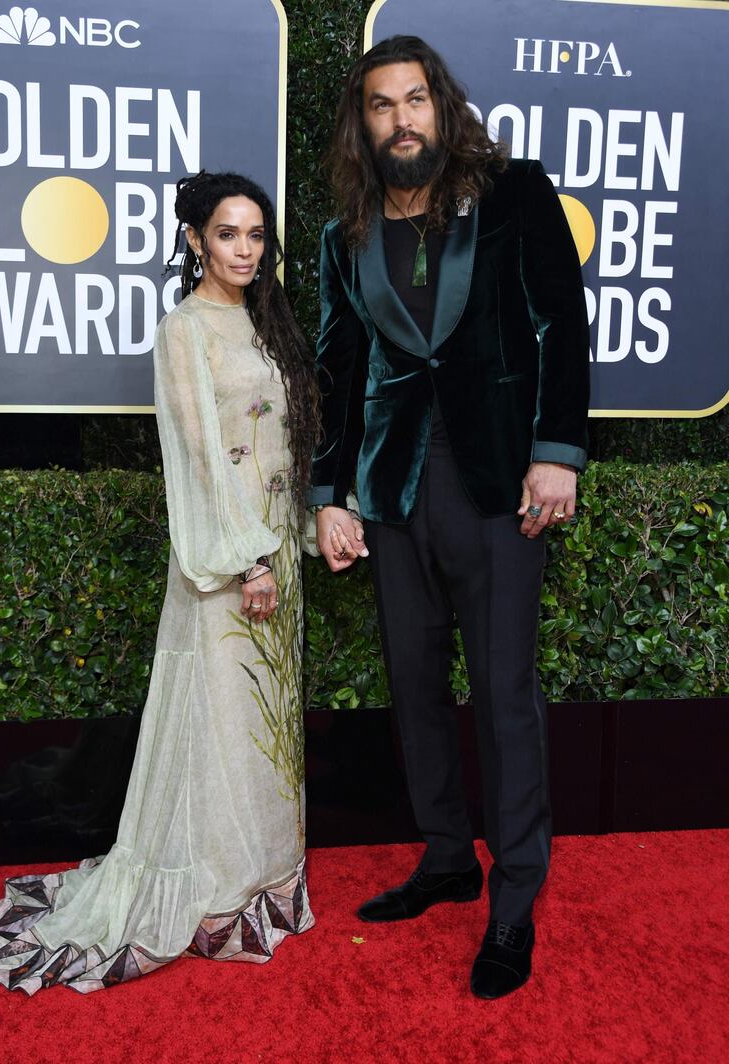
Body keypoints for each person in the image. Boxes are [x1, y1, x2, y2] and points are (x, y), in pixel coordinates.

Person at [0, 171, 321, 994]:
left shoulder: (266, 324)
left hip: (278, 554)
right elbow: (201, 453)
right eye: (228, 234)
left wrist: (298, 534)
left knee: (265, 724)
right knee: (221, 719)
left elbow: (280, 442)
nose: (245, 249)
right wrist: (248, 557)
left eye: (257, 236)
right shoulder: (184, 330)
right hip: (232, 559)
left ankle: (264, 875)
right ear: (196, 239)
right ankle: (209, 890)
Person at [309, 36, 590, 999]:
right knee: (415, 682)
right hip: (393, 494)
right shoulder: (343, 234)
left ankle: (514, 897)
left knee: (505, 694)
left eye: (416, 100)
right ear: (364, 123)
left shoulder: (514, 194)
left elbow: (562, 321)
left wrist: (557, 452)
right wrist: (326, 493)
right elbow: (338, 373)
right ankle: (445, 857)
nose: (402, 121)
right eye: (382, 106)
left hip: (500, 483)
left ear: (442, 106)